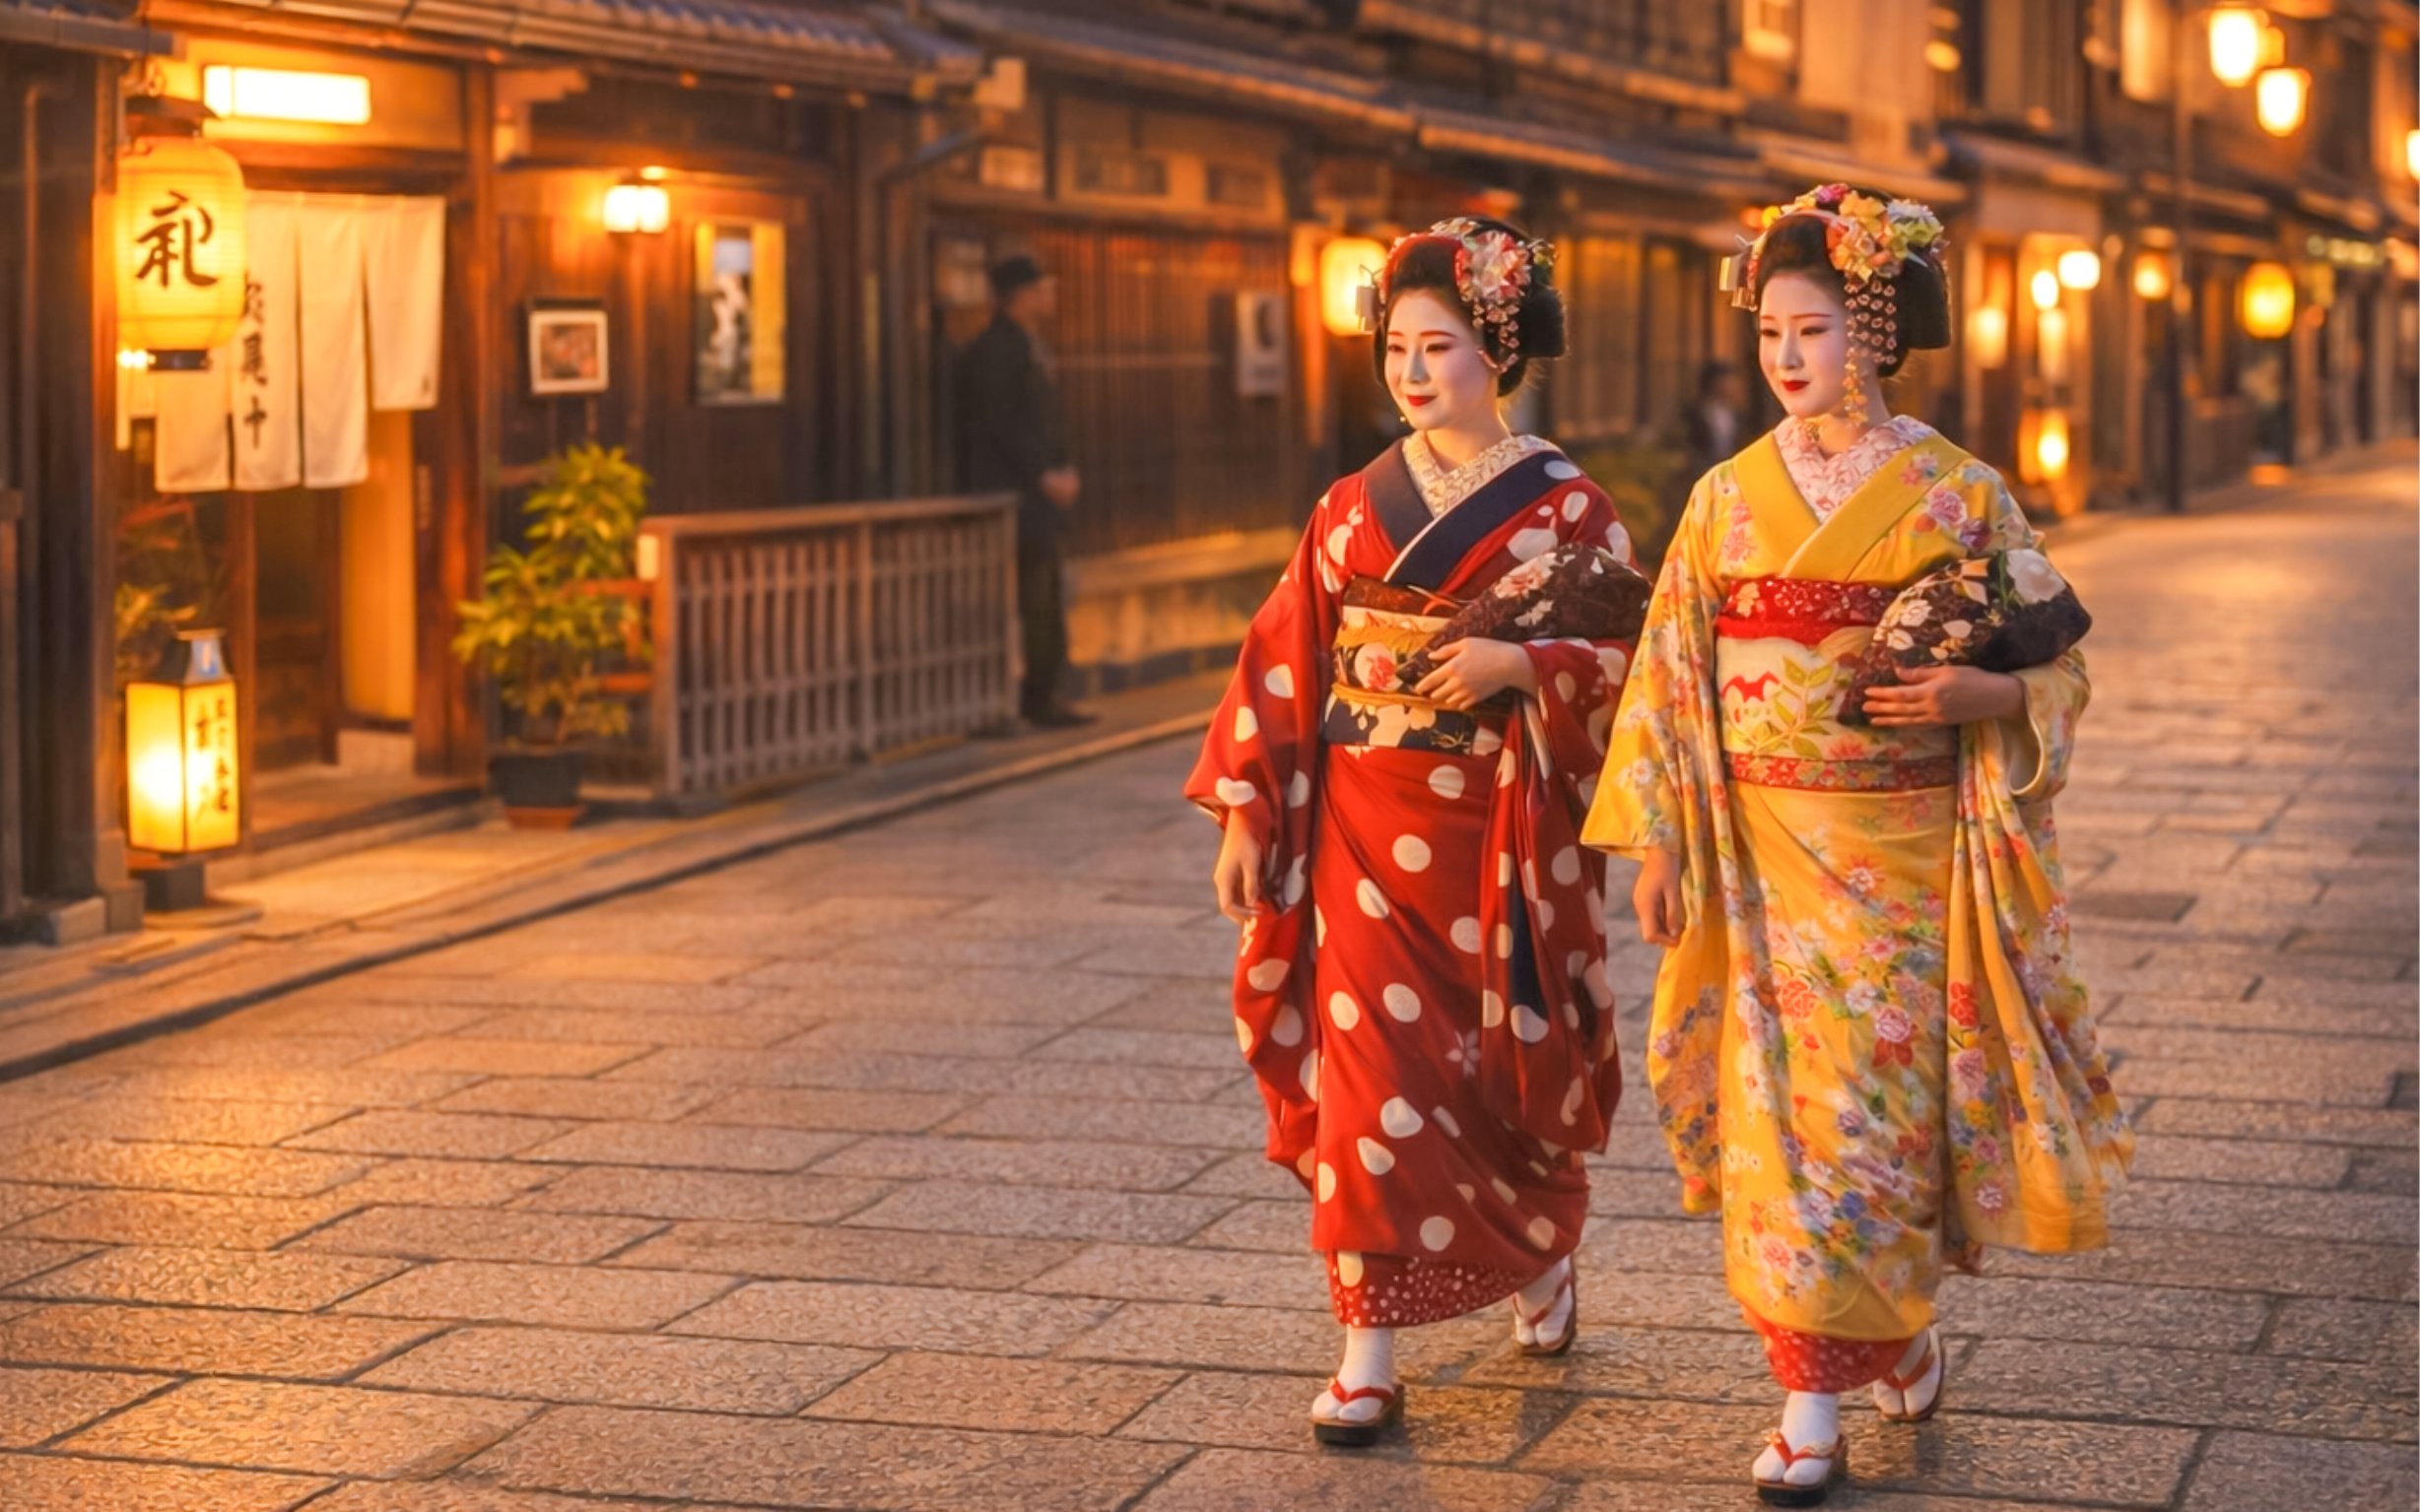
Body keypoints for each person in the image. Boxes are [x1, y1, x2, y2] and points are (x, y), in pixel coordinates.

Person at [1581, 184, 2130, 1506]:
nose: (1785, 355)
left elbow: (2059, 659)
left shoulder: (1958, 492)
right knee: (1786, 1128)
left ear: (1873, 330)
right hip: (1762, 851)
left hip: (1899, 860)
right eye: (1769, 329)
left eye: (1813, 328)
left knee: (1873, 1121)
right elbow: (1671, 675)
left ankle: (1831, 1381)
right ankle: (1829, 1379)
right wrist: (1660, 840)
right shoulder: (1722, 499)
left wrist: (1983, 695)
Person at [1186, 219, 1635, 1448]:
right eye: (1395, 346)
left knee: (1498, 1073)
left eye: (1438, 344)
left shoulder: (1573, 508)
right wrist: (1242, 808)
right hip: (1362, 830)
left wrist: (1521, 660)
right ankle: (1366, 1345)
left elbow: (1624, 664)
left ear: (1496, 349)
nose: (1411, 370)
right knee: (1370, 1091)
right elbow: (1282, 659)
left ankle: (1536, 1252)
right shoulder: (1347, 507)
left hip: (1500, 828)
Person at [955, 253, 1090, 728]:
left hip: (1041, 491)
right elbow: (1002, 426)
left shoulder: (1030, 346)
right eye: (1042, 289)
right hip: (1013, 493)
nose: (1048, 297)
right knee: (1018, 598)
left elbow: (1046, 422)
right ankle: (1021, 698)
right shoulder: (994, 351)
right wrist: (1041, 474)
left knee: (1046, 596)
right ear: (1022, 295)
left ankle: (1045, 692)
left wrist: (1064, 468)